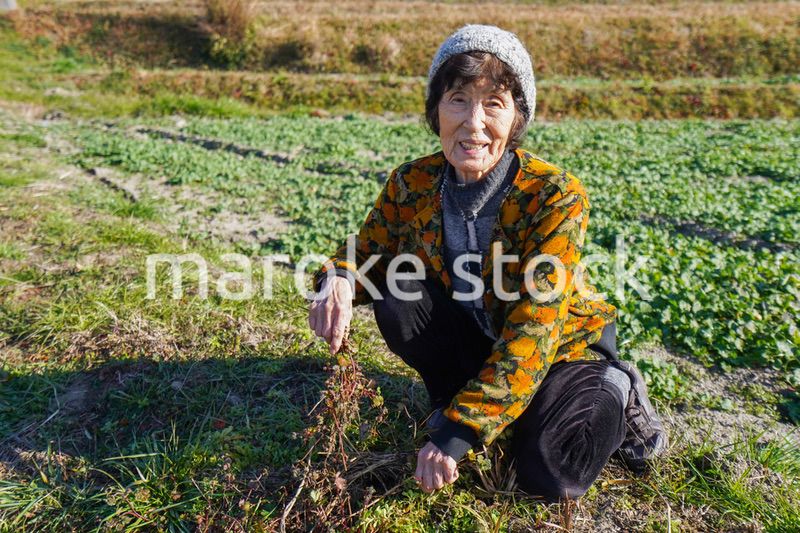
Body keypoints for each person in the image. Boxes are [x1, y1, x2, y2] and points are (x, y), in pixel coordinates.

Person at [308, 24, 667, 501]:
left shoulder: (553, 196)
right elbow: (368, 253)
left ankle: (619, 387)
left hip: (561, 353)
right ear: (436, 110)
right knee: (400, 293)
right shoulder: (413, 182)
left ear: (517, 118)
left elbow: (535, 328)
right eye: (458, 99)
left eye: (494, 103)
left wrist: (460, 434)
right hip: (481, 337)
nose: (474, 123)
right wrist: (338, 277)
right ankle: (454, 401)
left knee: (553, 475)